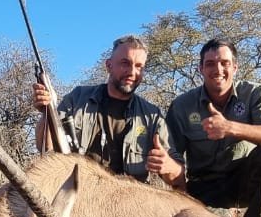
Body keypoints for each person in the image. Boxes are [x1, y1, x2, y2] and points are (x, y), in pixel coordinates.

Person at [165, 38, 261, 217]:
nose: (218, 69)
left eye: (224, 63)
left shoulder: (254, 94)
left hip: (243, 181)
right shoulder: (182, 106)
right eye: (210, 64)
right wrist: (174, 178)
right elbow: (173, 155)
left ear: (235, 66)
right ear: (200, 68)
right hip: (203, 187)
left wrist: (230, 128)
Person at [34, 34, 182, 184]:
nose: (132, 72)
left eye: (139, 66)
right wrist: (47, 110)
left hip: (131, 200)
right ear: (109, 66)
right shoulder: (77, 98)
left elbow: (178, 180)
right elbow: (46, 149)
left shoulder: (152, 116)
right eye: (125, 63)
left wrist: (170, 166)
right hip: (80, 192)